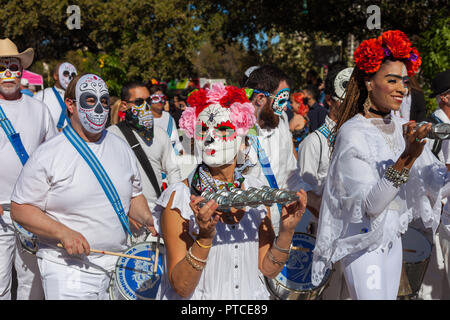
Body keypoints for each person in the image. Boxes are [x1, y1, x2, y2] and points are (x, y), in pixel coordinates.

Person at [311, 30, 447, 300]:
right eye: (392, 80)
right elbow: (371, 206)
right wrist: (407, 156)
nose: (401, 89)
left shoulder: (398, 127)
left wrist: (414, 155)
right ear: (369, 82)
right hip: (362, 246)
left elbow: (438, 183)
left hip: (392, 241)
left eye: (404, 82)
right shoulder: (353, 133)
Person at [153, 83, 307, 299]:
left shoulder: (254, 191)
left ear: (243, 138)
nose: (209, 138)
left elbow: (267, 269)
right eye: (202, 130)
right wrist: (204, 238)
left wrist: (286, 232)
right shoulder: (180, 198)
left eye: (223, 129)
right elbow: (181, 287)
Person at [10, 74, 157, 300]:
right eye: (90, 100)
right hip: (66, 267)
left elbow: (134, 196)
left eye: (104, 101)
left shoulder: (121, 147)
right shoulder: (48, 154)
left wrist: (149, 219)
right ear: (71, 104)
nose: (99, 108)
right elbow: (21, 208)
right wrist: (63, 232)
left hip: (118, 263)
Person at [0, 38, 57, 300]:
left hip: (32, 210)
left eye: (13, 66)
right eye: (2, 67)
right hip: (0, 213)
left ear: (22, 71)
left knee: (32, 283)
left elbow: (55, 156)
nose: (8, 74)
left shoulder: (40, 109)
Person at [291, 65, 353, 300]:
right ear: (330, 101)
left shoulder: (358, 138)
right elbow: (306, 193)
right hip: (324, 235)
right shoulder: (313, 143)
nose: (351, 107)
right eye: (344, 101)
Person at [107, 82, 182, 231]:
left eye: (148, 101)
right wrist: (125, 213)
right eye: (140, 102)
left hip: (157, 218)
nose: (146, 106)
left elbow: (173, 172)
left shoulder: (160, 134)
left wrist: (172, 208)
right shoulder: (110, 136)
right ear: (124, 105)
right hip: (124, 221)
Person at [243, 65, 299, 235]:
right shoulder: (234, 130)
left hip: (279, 221)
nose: (284, 108)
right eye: (281, 100)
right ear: (260, 99)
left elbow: (291, 172)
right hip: (246, 226)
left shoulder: (281, 122)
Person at [35, 62, 77, 131]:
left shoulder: (79, 96)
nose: (70, 77)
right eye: (65, 74)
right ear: (55, 76)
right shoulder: (42, 96)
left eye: (73, 75)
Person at [148, 84, 184, 156]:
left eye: (162, 97)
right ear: (149, 100)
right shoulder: (145, 120)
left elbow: (176, 141)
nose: (160, 101)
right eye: (156, 98)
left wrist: (182, 153)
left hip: (173, 159)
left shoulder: (168, 117)